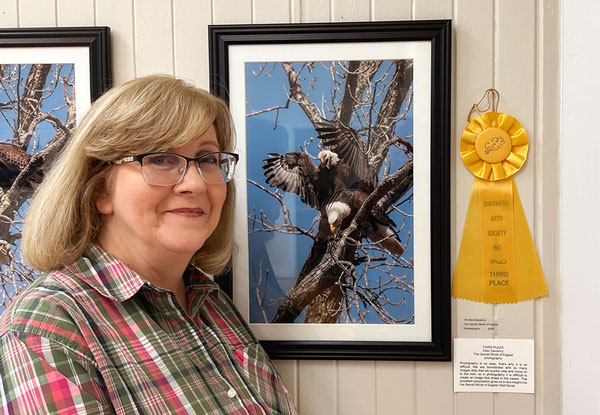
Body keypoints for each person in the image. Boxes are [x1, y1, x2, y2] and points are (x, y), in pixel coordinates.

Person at [0, 75, 297, 415]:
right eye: (160, 159)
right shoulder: (48, 327)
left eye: (208, 159)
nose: (195, 183)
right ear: (100, 190)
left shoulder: (209, 301)